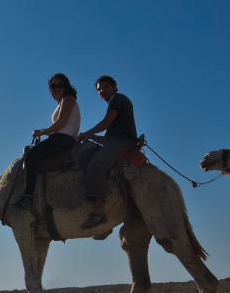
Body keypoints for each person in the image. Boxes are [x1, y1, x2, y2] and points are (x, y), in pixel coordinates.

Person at [77, 75, 139, 229]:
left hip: (123, 143)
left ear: (114, 87)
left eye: (105, 87)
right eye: (99, 89)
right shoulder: (116, 102)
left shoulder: (117, 100)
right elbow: (108, 138)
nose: (102, 91)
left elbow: (106, 123)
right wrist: (90, 137)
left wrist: (89, 132)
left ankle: (98, 212)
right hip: (117, 142)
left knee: (95, 166)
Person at [16, 73, 81, 208]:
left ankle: (28, 195)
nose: (56, 88)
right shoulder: (63, 102)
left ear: (66, 87)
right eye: (53, 86)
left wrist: (43, 131)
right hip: (63, 139)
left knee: (30, 155)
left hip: (62, 139)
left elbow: (61, 122)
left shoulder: (68, 99)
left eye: (59, 85)